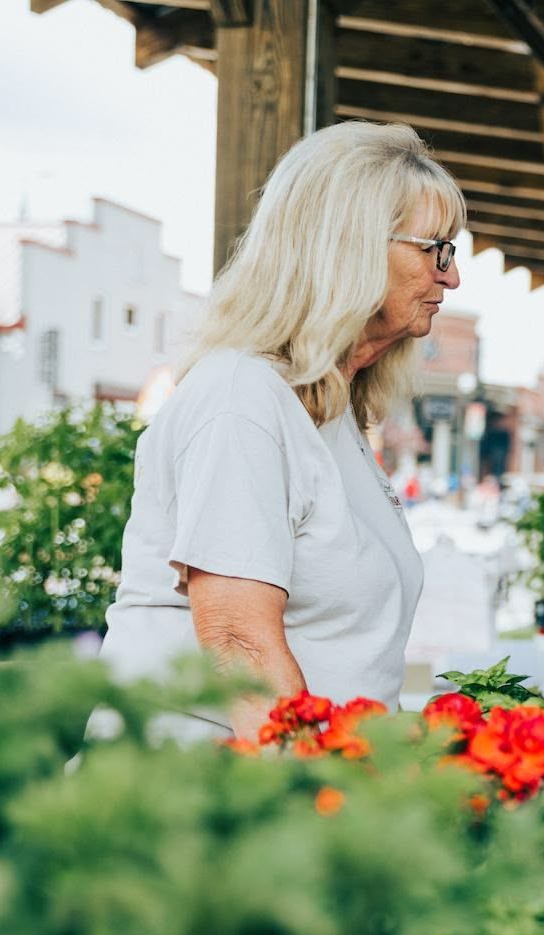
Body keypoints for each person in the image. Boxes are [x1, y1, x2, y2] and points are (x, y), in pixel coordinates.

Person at [100, 121, 464, 740]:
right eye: (436, 250)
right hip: (205, 804)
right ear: (350, 248)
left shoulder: (327, 408)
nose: (450, 277)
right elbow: (241, 649)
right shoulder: (241, 399)